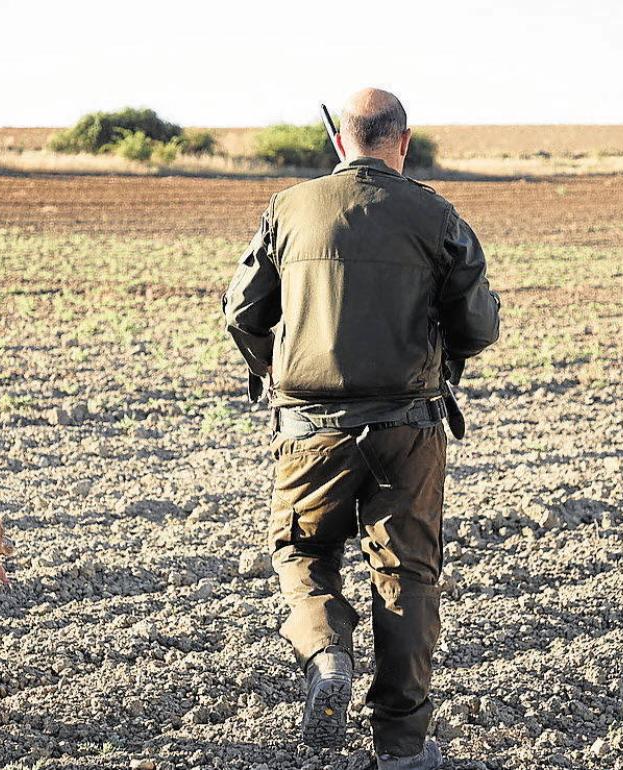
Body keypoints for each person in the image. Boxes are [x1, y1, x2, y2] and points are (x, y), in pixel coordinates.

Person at [223, 87, 500, 770]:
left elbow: (241, 313)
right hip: (408, 430)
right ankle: (402, 751)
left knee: (304, 555)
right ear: (402, 143)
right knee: (406, 575)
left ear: (341, 142)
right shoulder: (437, 215)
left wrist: (274, 369)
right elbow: (479, 326)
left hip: (310, 430)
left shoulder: (288, 209)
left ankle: (325, 653)